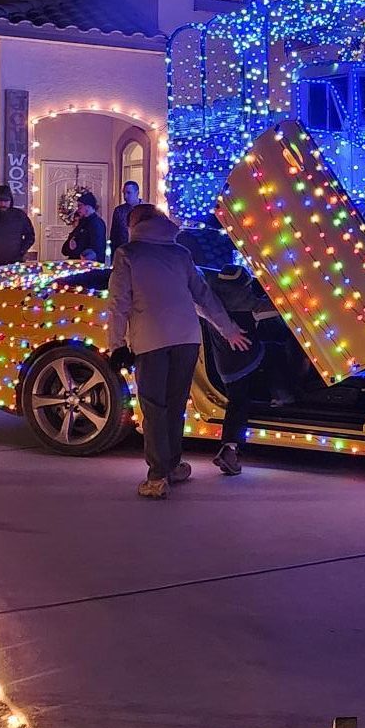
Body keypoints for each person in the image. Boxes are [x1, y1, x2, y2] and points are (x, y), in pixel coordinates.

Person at [105, 203, 248, 498]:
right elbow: (203, 296)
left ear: (134, 225)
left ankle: (157, 477)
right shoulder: (180, 253)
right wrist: (228, 329)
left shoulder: (128, 254)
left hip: (150, 338)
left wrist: (116, 345)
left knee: (154, 407)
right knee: (175, 404)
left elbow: (118, 303)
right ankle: (172, 465)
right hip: (187, 336)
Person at [207, 264, 287, 475]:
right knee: (276, 352)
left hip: (224, 365)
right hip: (249, 359)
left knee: (237, 400)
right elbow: (283, 307)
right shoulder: (251, 305)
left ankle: (230, 448)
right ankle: (281, 395)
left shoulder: (212, 305)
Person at [0, 184, 36, 268]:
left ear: (10, 201)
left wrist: (21, 250)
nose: (3, 204)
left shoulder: (19, 216)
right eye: (0, 201)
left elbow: (30, 236)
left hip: (16, 258)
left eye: (6, 201)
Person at [63, 189, 109, 262]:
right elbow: (65, 250)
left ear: (88, 206)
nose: (78, 209)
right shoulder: (82, 223)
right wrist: (70, 246)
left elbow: (97, 250)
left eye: (80, 206)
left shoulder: (97, 224)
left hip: (88, 266)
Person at [109, 180, 142, 256]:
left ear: (137, 193)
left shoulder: (146, 210)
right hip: (123, 252)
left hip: (140, 252)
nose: (125, 196)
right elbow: (114, 235)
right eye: (124, 193)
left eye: (129, 193)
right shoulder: (119, 210)